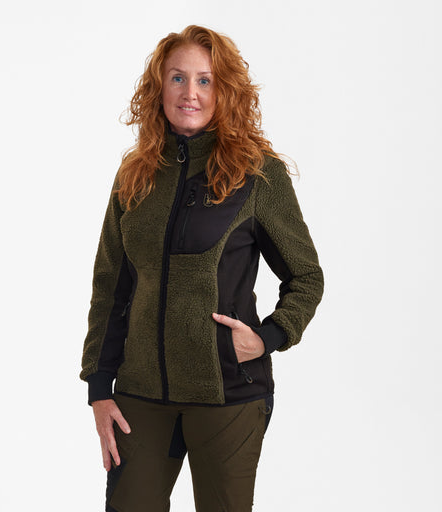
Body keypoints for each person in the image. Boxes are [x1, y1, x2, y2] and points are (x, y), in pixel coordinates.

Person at [80, 25, 324, 512]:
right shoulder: (135, 175)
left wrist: (268, 337)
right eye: (177, 78)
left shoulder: (256, 173)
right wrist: (99, 388)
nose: (189, 92)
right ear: (159, 87)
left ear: (224, 91)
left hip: (228, 393)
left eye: (204, 80)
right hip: (140, 396)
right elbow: (110, 286)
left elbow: (306, 277)